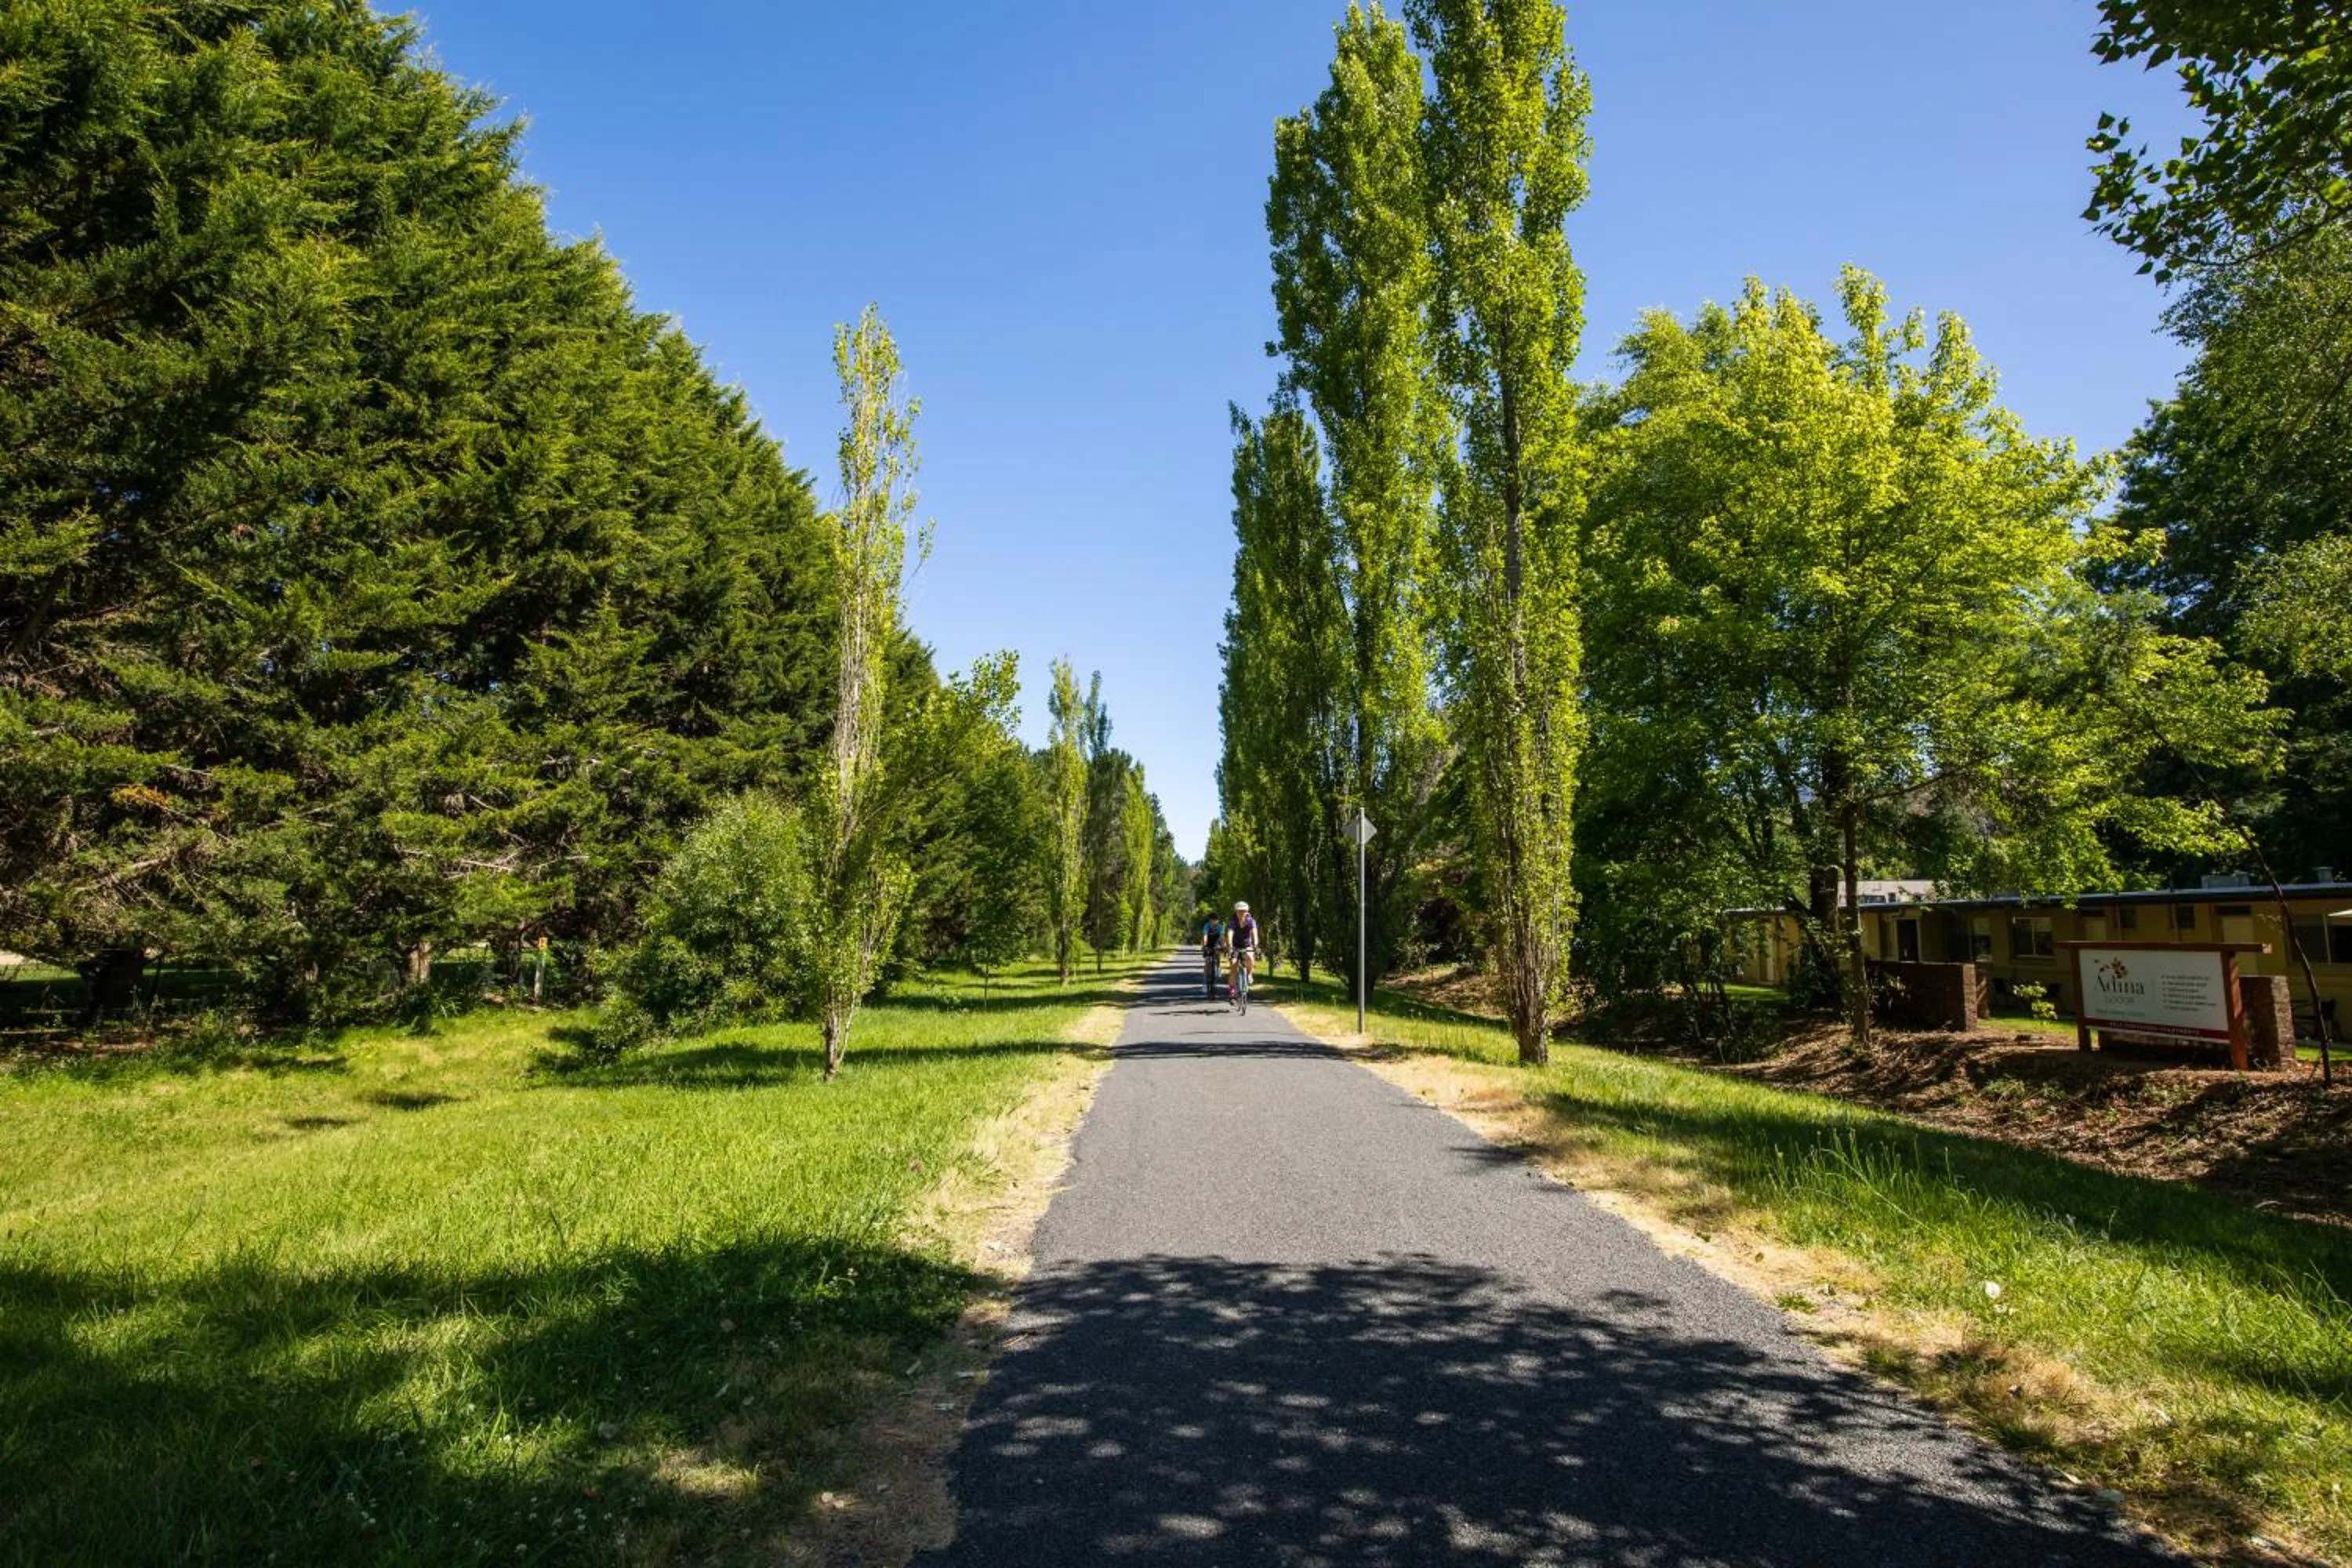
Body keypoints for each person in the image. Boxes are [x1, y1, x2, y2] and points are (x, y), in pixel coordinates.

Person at [1227, 900, 1259, 1011]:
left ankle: (1249, 974)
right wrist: (1230, 945)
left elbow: (1254, 932)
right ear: (1236, 912)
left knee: (1250, 957)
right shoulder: (1233, 921)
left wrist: (1256, 943)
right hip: (1235, 945)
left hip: (1247, 945)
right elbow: (1230, 933)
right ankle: (1232, 991)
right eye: (1239, 911)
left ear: (1247, 912)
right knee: (1233, 964)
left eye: (1244, 911)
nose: (1241, 913)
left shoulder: (1251, 921)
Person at [1200, 913, 1224, 999]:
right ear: (1210, 920)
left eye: (1216, 920)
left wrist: (1223, 946)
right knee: (1207, 962)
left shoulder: (1220, 927)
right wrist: (1205, 946)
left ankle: (1219, 967)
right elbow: (1205, 936)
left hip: (1216, 944)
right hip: (1208, 944)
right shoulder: (1207, 926)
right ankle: (1205, 982)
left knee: (1218, 954)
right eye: (1212, 920)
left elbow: (1221, 937)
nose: (1214, 921)